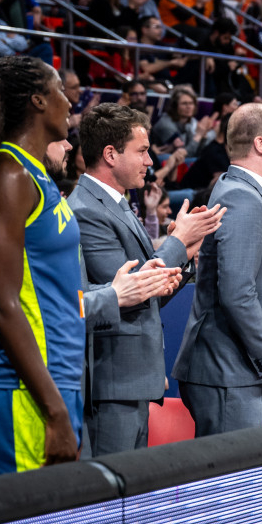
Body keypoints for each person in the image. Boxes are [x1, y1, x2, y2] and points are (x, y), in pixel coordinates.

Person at [69, 104, 225, 455]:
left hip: (132, 380)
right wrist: (178, 241)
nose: (150, 161)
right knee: (110, 485)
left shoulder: (118, 203)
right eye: (141, 151)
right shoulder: (86, 210)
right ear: (111, 154)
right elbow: (127, 290)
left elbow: (147, 295)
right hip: (112, 383)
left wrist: (185, 254)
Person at [0, 58, 82, 475]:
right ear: (37, 100)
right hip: (23, 388)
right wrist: (54, 410)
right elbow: (1, 304)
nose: (69, 101)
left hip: (54, 380)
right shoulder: (8, 174)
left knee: (61, 515)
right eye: (60, 89)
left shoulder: (37, 174)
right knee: (35, 518)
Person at [172, 104, 262, 434]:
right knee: (229, 469)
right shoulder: (241, 196)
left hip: (235, 369)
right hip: (229, 370)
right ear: (261, 144)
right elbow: (237, 292)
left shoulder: (243, 191)